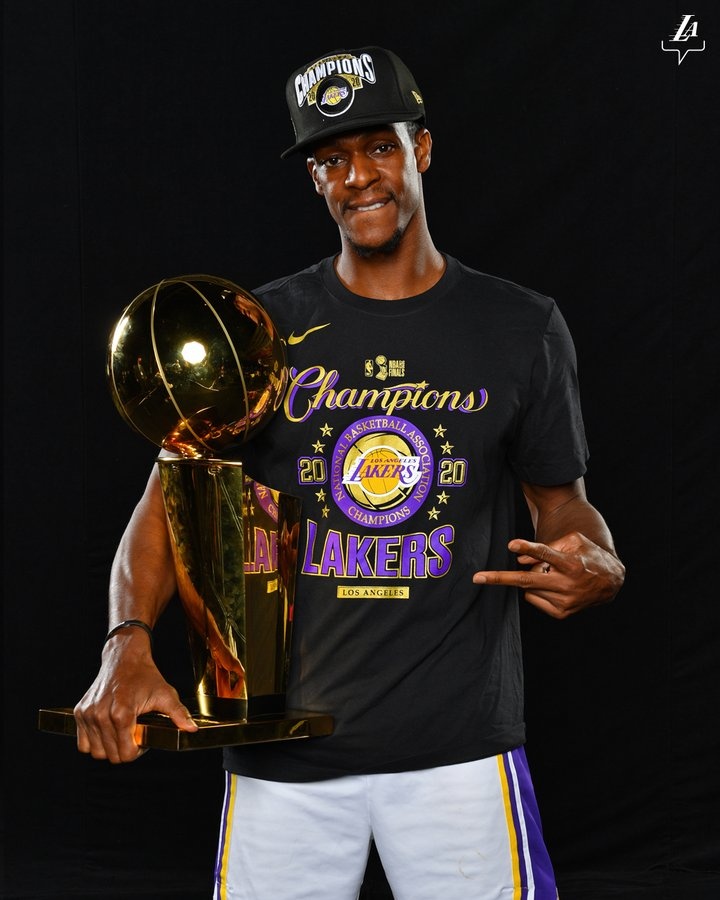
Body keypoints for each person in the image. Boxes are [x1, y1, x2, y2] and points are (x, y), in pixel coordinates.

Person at [74, 46, 625, 899]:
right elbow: (166, 501)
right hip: (282, 752)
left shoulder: (519, 326)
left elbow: (563, 506)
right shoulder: (255, 329)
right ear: (315, 179)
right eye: (332, 159)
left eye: (378, 147)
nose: (358, 176)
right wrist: (126, 644)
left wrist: (595, 560)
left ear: (421, 149)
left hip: (457, 754)